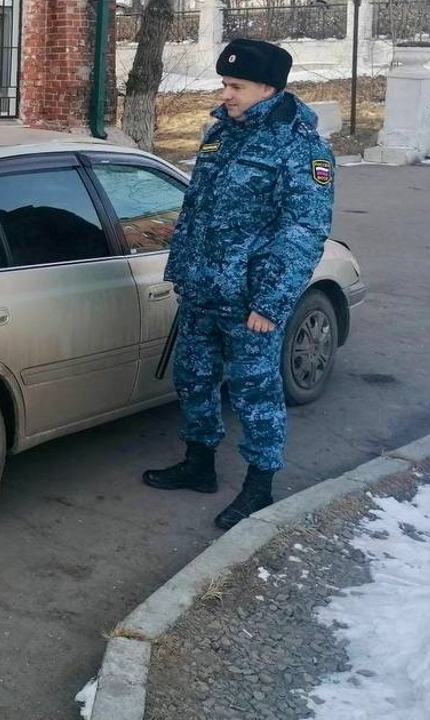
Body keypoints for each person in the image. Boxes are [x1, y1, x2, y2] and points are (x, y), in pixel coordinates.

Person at [142, 39, 335, 530]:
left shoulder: (301, 147)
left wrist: (271, 302)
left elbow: (303, 230)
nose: (225, 94)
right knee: (193, 379)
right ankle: (199, 464)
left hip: (250, 300)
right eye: (224, 84)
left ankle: (259, 485)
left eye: (236, 86)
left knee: (255, 393)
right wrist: (183, 272)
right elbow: (196, 210)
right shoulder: (219, 136)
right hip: (203, 290)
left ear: (268, 88)